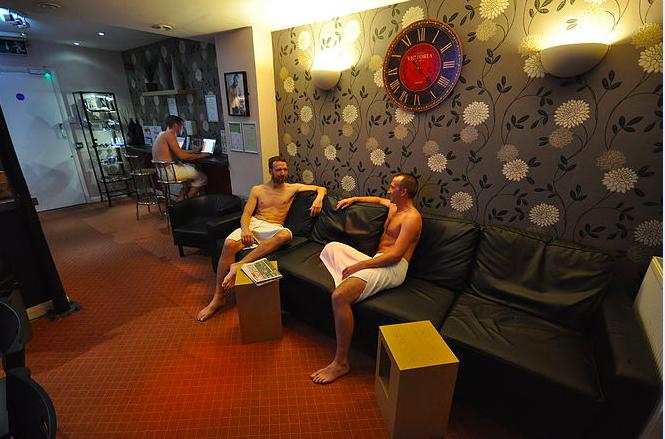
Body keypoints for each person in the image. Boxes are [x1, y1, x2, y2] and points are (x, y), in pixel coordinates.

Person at [311, 174, 422, 384]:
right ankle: (354, 283)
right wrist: (353, 199)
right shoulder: (393, 206)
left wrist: (359, 266)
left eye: (392, 187)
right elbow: (377, 200)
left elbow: (395, 256)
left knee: (339, 297)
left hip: (394, 267)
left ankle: (341, 363)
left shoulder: (412, 218)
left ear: (403, 191)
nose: (388, 190)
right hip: (377, 260)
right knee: (331, 247)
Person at [196, 156, 327, 322]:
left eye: (285, 169)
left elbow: (321, 188)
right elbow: (246, 214)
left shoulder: (292, 188)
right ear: (270, 171)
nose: (283, 173)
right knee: (229, 244)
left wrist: (318, 199)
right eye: (278, 170)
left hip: (273, 228)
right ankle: (218, 297)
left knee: (285, 235)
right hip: (255, 223)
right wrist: (245, 229)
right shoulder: (257, 190)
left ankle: (240, 264)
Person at [152, 115, 210, 200]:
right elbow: (182, 156)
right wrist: (201, 155)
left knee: (189, 180)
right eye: (181, 126)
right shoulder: (169, 134)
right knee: (202, 177)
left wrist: (192, 151)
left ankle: (180, 200)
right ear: (176, 125)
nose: (181, 129)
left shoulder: (162, 134)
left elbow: (177, 151)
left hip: (162, 171)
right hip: (170, 172)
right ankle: (183, 202)